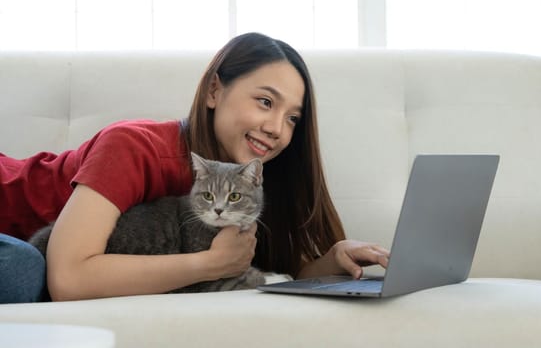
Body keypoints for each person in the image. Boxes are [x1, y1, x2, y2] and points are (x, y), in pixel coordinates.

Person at [0, 32, 390, 303]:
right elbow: (67, 278)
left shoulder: (244, 183)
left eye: (292, 118)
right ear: (214, 91)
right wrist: (207, 265)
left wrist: (334, 258)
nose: (276, 129)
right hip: (13, 228)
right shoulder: (135, 147)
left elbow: (274, 270)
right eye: (266, 102)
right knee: (23, 271)